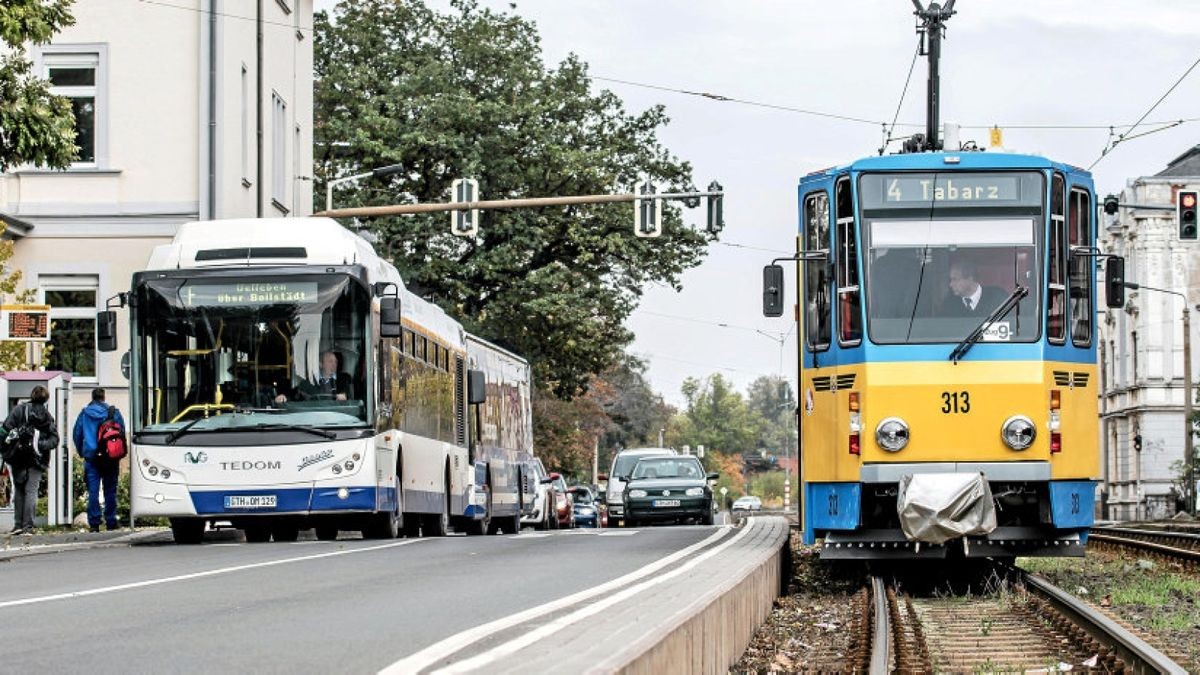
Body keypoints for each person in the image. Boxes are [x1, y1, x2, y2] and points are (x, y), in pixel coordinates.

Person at [3, 386, 59, 535]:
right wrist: (39, 445)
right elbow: (54, 439)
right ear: (46, 399)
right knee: (31, 491)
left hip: (18, 456)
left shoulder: (18, 410)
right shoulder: (47, 415)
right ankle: (28, 526)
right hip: (37, 458)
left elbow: (5, 428)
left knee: (19, 490)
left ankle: (18, 524)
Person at [72, 388, 125, 532]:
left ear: (92, 397)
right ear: (104, 397)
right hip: (110, 457)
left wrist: (81, 451)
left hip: (92, 457)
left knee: (93, 491)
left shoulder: (84, 414)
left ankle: (94, 523)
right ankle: (111, 521)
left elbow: (77, 434)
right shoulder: (114, 413)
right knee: (110, 490)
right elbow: (122, 433)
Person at [275, 350, 352, 403]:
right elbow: (296, 394)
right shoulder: (309, 381)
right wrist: (284, 396)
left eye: (335, 362)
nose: (334, 364)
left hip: (338, 418)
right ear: (321, 364)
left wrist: (344, 396)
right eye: (330, 361)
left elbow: (351, 395)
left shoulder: (345, 379)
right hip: (314, 418)